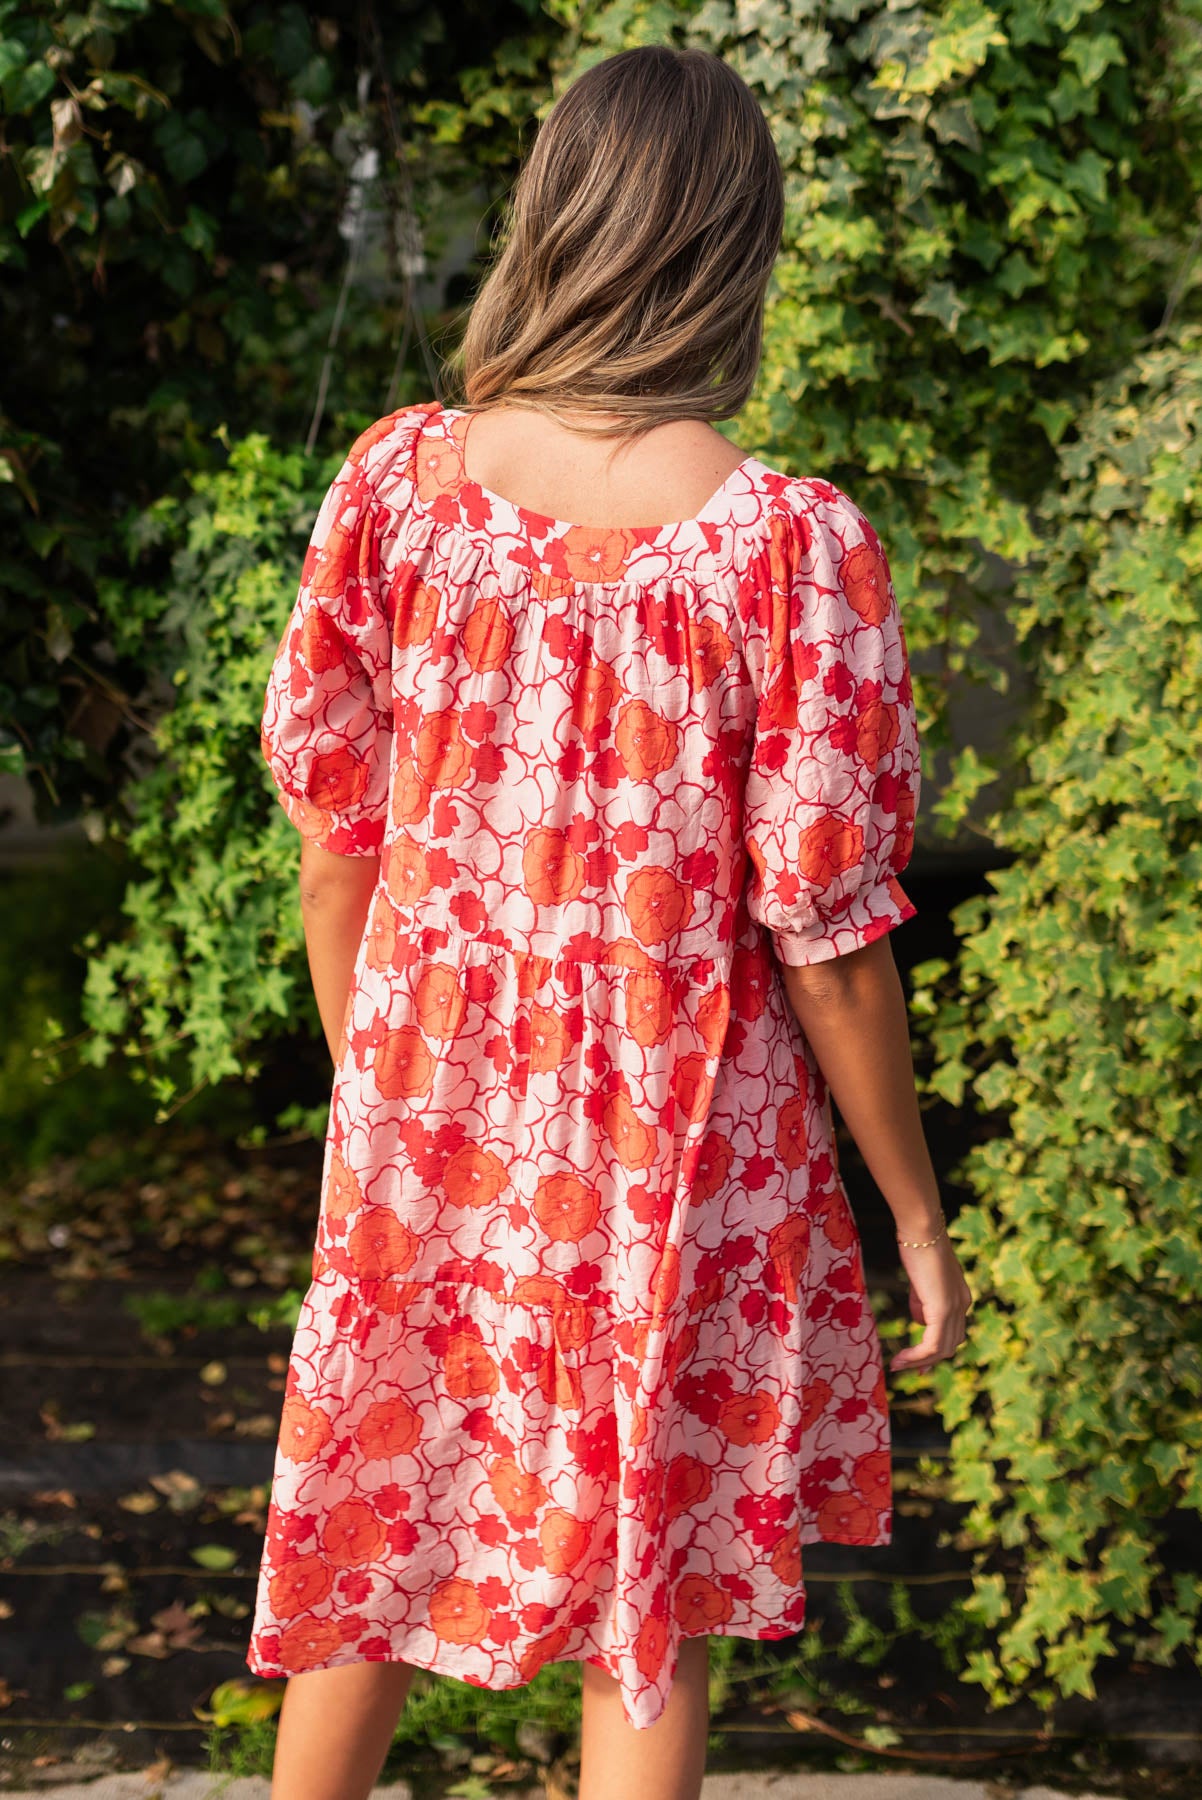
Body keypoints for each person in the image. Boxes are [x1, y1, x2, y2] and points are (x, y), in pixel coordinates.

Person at [248, 41, 973, 1800]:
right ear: (733, 247)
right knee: (648, 1587)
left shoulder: (399, 489)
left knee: (370, 1536)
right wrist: (911, 1208)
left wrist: (382, 1106)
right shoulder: (788, 552)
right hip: (678, 1150)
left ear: (550, 220)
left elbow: (336, 838)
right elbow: (825, 931)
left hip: (428, 1129)